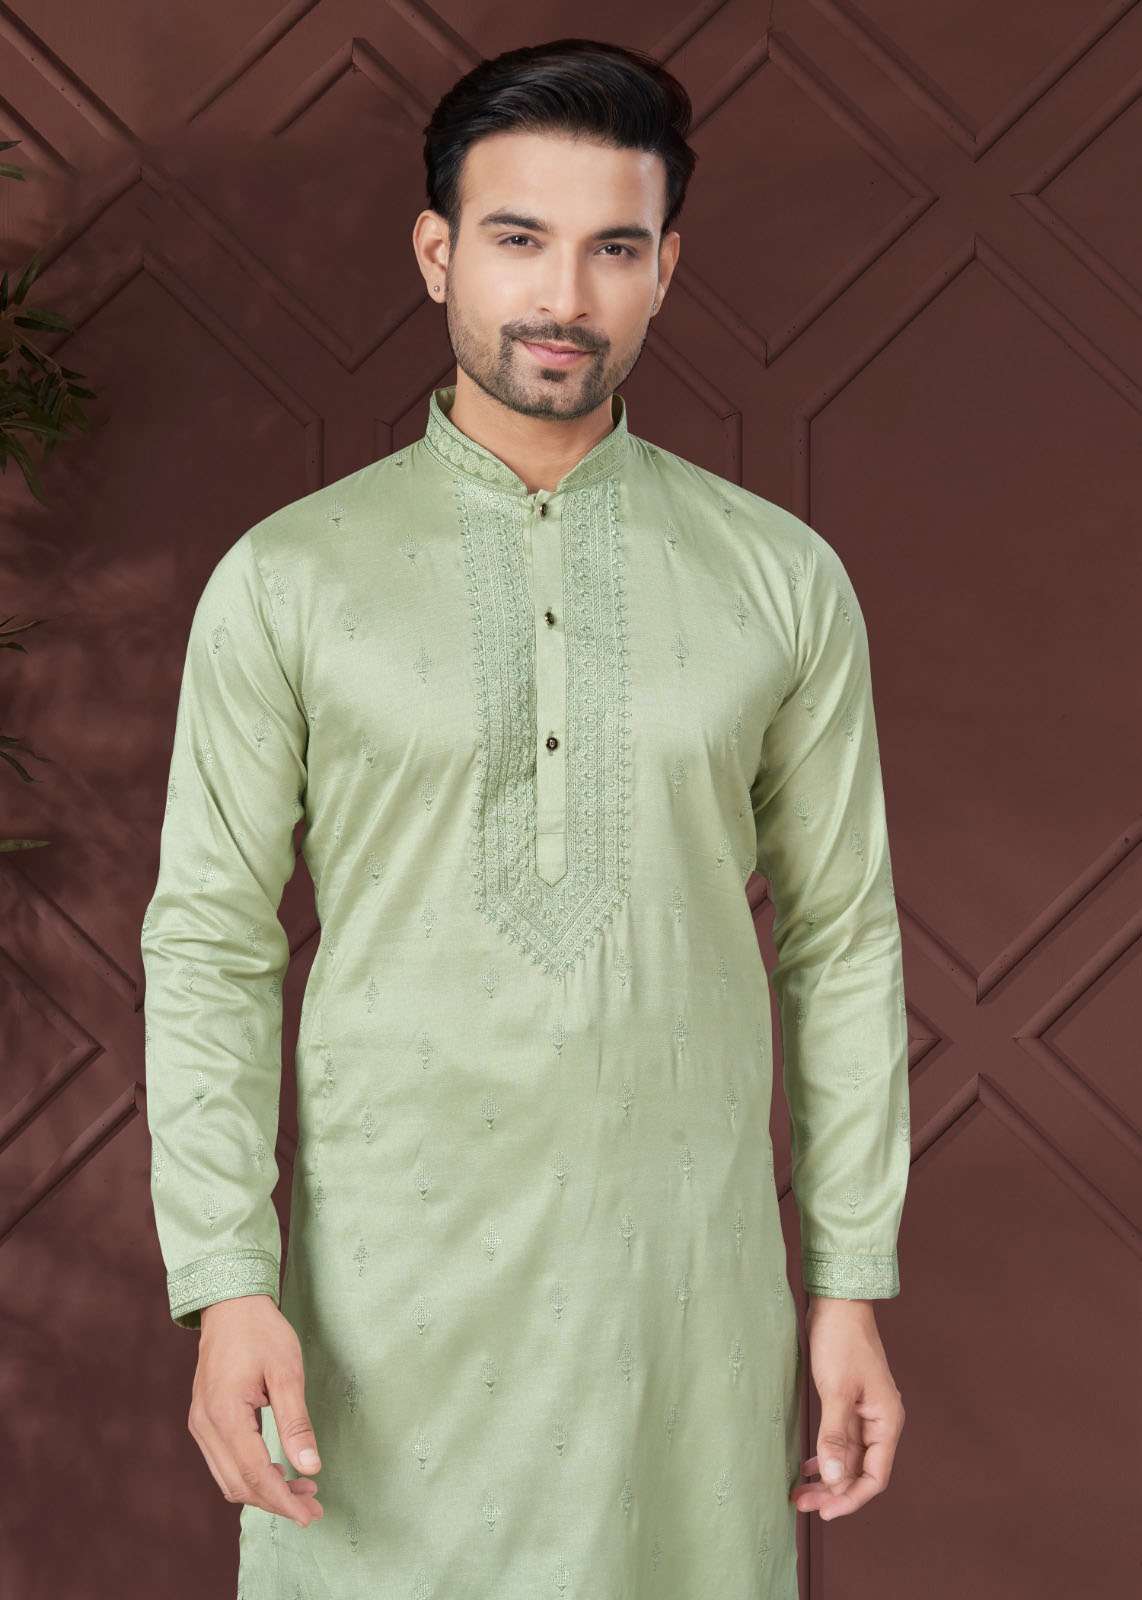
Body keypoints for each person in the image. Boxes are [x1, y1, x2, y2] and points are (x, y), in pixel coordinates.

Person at [140, 35, 909, 1599]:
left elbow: (840, 941)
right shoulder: (288, 579)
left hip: (679, 1305)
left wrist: (846, 1286)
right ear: (437, 255)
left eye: (613, 248)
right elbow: (209, 941)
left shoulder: (779, 579)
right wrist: (225, 1278)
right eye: (516, 238)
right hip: (381, 1306)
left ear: (664, 271)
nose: (564, 293)